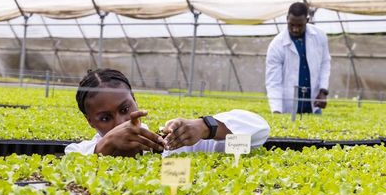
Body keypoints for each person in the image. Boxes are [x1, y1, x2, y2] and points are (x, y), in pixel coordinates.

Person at [65, 68, 270, 157]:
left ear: (135, 101)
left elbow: (259, 133)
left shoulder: (177, 143)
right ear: (90, 121)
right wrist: (106, 145)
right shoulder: (80, 152)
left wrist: (204, 126)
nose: (121, 122)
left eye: (125, 109)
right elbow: (75, 164)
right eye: (105, 118)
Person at [265, 2, 331, 114]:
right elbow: (273, 82)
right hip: (289, 108)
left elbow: (325, 63)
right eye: (291, 25)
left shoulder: (319, 36)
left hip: (313, 104)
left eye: (300, 25)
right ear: (287, 19)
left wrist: (323, 91)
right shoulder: (276, 45)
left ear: (307, 20)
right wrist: (276, 111)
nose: (295, 29)